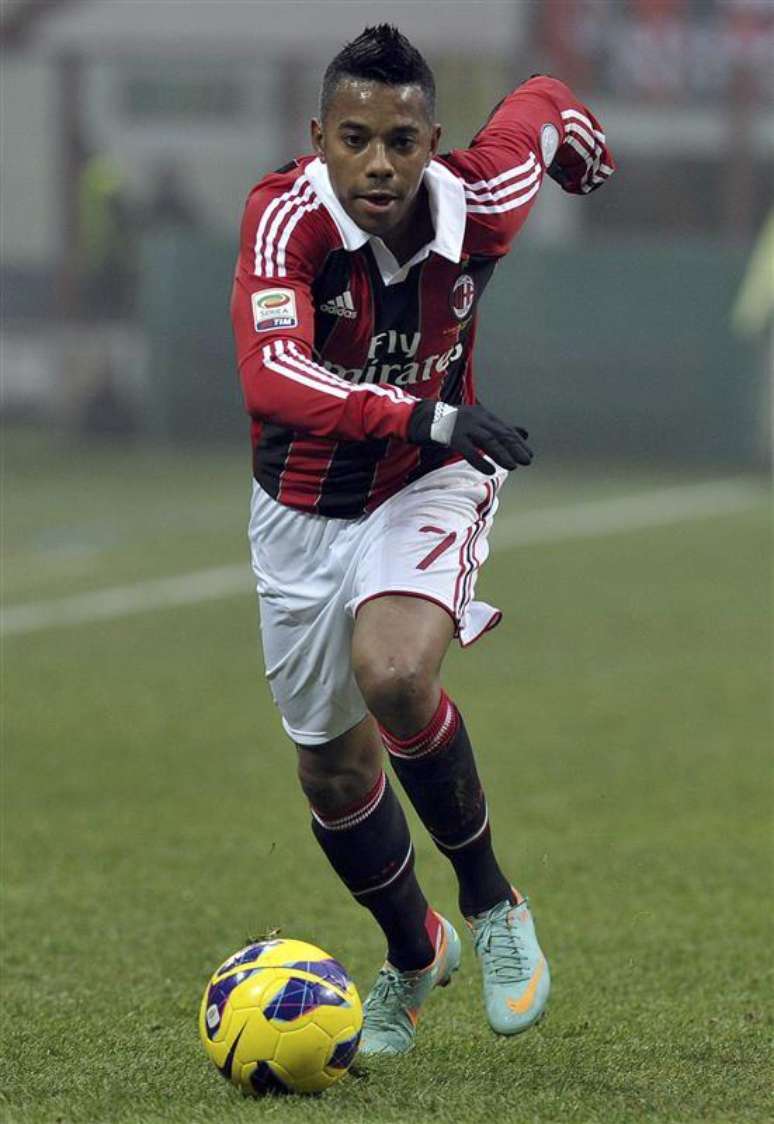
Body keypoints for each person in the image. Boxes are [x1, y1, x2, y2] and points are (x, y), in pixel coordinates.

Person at [231, 25, 614, 1056]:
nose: (379, 163)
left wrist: (579, 141)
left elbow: (538, 102)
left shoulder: (477, 199)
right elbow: (275, 377)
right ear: (319, 137)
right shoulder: (285, 222)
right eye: (354, 138)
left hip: (429, 482)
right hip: (303, 512)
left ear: (432, 138)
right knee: (333, 771)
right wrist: (424, 411)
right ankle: (414, 950)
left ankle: (493, 907)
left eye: (402, 139)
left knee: (396, 672)